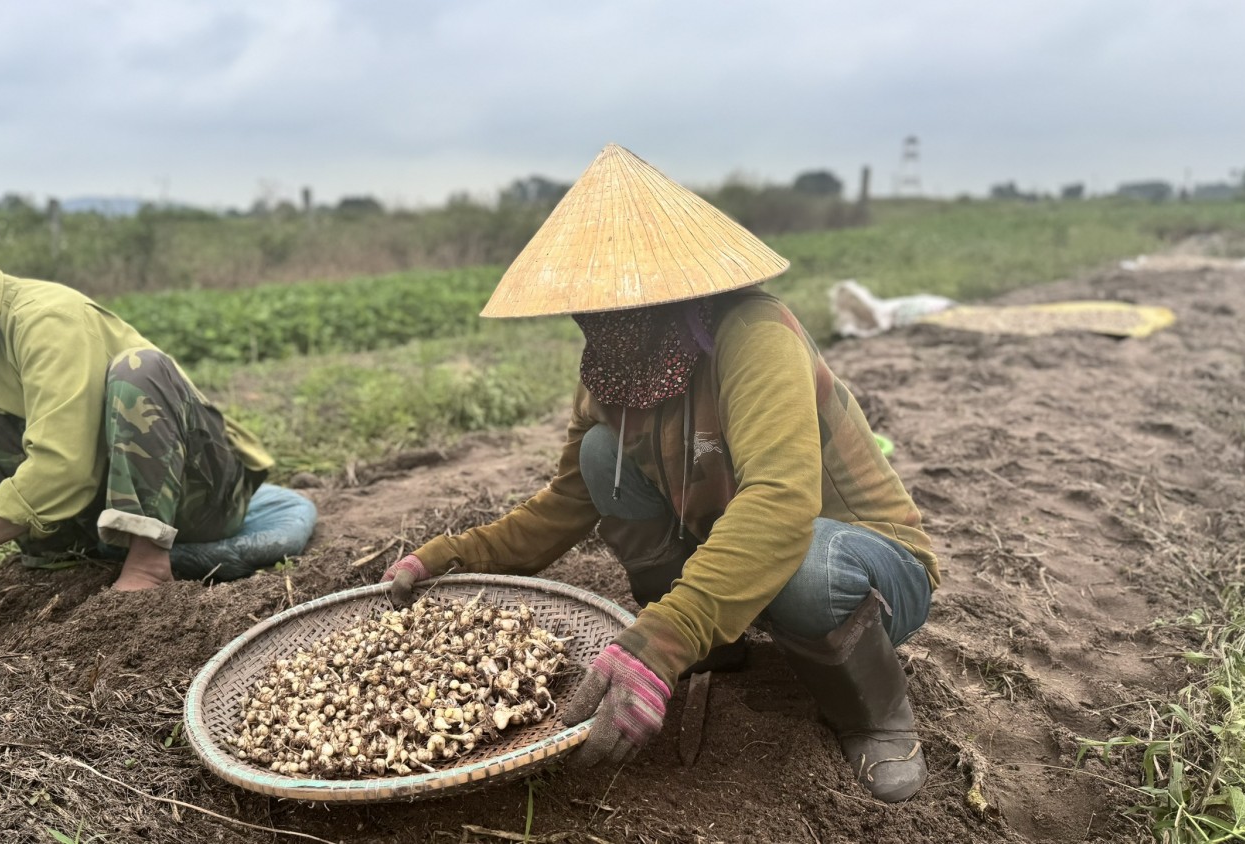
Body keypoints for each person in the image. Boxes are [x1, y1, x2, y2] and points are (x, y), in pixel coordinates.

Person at [382, 145, 940, 802]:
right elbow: (566, 500)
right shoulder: (611, 376)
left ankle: (874, 715)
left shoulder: (753, 334)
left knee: (807, 566)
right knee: (598, 456)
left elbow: (781, 504)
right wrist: (449, 555)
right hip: (742, 563)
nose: (604, 320)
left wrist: (660, 640)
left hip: (865, 571)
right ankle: (713, 645)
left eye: (623, 301)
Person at [0, 191, 316, 622]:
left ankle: (146, 563)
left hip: (202, 491)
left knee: (138, 369)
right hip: (116, 503)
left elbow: (65, 467)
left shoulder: (46, 318)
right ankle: (77, 555)